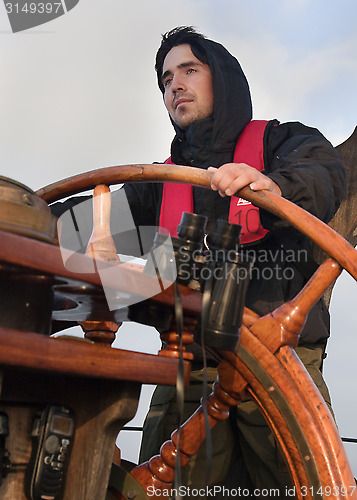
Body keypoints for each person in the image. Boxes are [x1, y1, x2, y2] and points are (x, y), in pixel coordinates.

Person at [51, 26, 345, 497]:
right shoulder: (159, 182)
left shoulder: (283, 143)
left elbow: (324, 176)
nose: (175, 86)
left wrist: (275, 186)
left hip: (278, 359)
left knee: (300, 485)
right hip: (188, 364)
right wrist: (19, 213)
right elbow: (86, 220)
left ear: (222, 79)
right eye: (166, 80)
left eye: (189, 70)